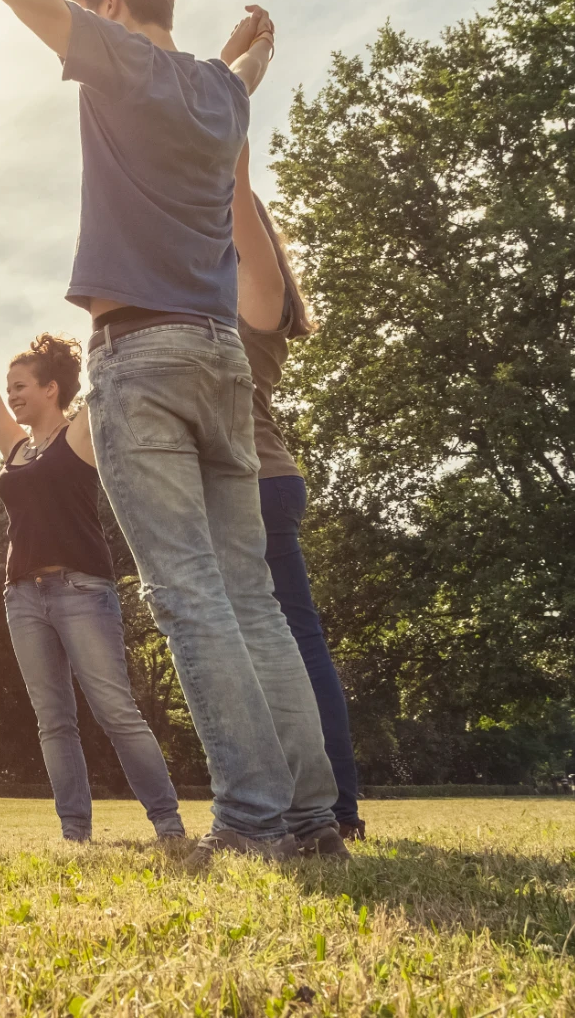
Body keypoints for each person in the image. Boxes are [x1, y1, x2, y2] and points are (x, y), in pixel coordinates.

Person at [0, 0, 342, 860]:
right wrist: (255, 40)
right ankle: (312, 815)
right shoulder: (222, 92)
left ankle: (256, 819)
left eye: (88, 8)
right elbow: (245, 63)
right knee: (252, 597)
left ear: (117, 7)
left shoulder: (120, 58)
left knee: (185, 596)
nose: (75, 24)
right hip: (222, 359)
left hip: (141, 358)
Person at [0, 294, 185, 844]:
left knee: (115, 710)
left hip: (81, 589)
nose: (11, 396)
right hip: (22, 597)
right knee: (54, 721)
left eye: (21, 386)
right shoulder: (17, 449)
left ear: (51, 389)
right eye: (10, 388)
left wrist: (115, 312)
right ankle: (75, 832)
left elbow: (103, 376)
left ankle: (168, 825)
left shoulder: (78, 434)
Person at [230, 143, 365, 839]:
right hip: (257, 485)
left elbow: (235, 199)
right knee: (271, 648)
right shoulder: (231, 301)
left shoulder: (260, 297)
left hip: (260, 484)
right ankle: (305, 802)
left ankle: (336, 809)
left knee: (295, 646)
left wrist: (228, 137)